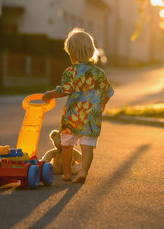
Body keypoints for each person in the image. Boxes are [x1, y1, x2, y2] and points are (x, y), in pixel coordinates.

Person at [42, 28, 114, 183]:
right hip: (92, 116)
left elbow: (64, 90)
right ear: (91, 51)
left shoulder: (70, 72)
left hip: (72, 116)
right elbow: (107, 93)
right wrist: (102, 105)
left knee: (67, 144)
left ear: (72, 54)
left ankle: (67, 174)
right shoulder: (99, 73)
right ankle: (82, 172)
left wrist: (50, 94)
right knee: (87, 144)